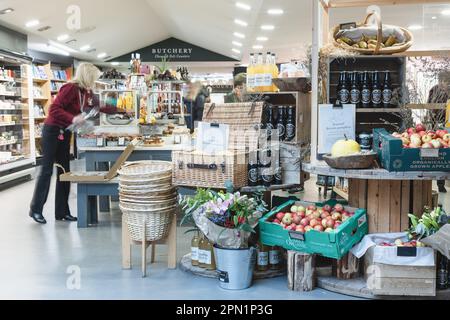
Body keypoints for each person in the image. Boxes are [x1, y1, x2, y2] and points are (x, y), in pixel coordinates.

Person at [29, 63, 123, 224]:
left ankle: (62, 211)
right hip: (52, 131)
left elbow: (100, 105)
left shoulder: (86, 92)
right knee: (46, 171)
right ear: (87, 76)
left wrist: (122, 110)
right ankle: (35, 209)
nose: (94, 81)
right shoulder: (70, 89)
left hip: (65, 132)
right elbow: (54, 109)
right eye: (93, 78)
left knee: (64, 172)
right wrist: (73, 118)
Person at [428, 72, 450, 193]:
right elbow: (429, 108)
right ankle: (440, 183)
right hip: (438, 126)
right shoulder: (434, 90)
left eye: (446, 81)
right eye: (442, 81)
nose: (444, 83)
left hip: (448, 124)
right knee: (439, 154)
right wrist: (431, 125)